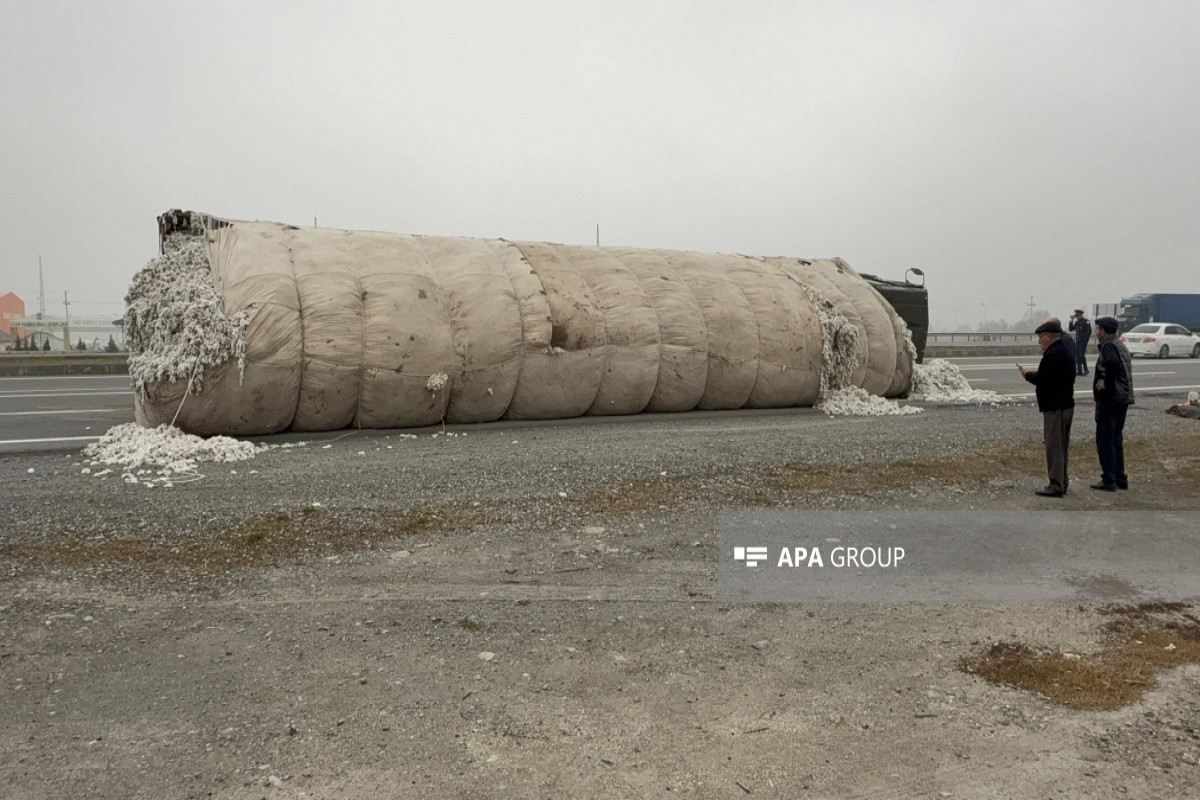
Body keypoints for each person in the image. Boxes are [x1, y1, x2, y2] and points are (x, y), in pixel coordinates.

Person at [1018, 320, 1077, 497]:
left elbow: (1042, 379)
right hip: (1066, 405)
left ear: (1049, 337)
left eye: (1041, 337)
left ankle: (1056, 485)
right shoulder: (1066, 350)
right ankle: (1062, 481)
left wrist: (1027, 374)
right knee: (1063, 447)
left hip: (1055, 407)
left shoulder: (1052, 355)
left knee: (1054, 447)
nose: (1039, 342)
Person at [1091, 316, 1134, 491]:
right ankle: (1119, 476)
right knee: (1116, 438)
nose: (1096, 332)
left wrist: (1103, 381)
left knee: (1105, 439)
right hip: (1122, 398)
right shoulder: (1120, 344)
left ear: (1104, 330)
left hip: (1110, 399)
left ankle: (1109, 479)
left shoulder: (1109, 346)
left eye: (1098, 329)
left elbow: (1111, 366)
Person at [1068, 309, 1092, 376]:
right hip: (1078, 341)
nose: (1077, 317)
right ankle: (1079, 371)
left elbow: (1089, 331)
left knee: (1081, 355)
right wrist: (1071, 320)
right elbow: (1071, 329)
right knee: (1077, 356)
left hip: (1083, 341)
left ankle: (1086, 369)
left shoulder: (1086, 321)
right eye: (1076, 315)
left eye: (1077, 315)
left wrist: (1085, 340)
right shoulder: (1077, 322)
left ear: (1081, 314)